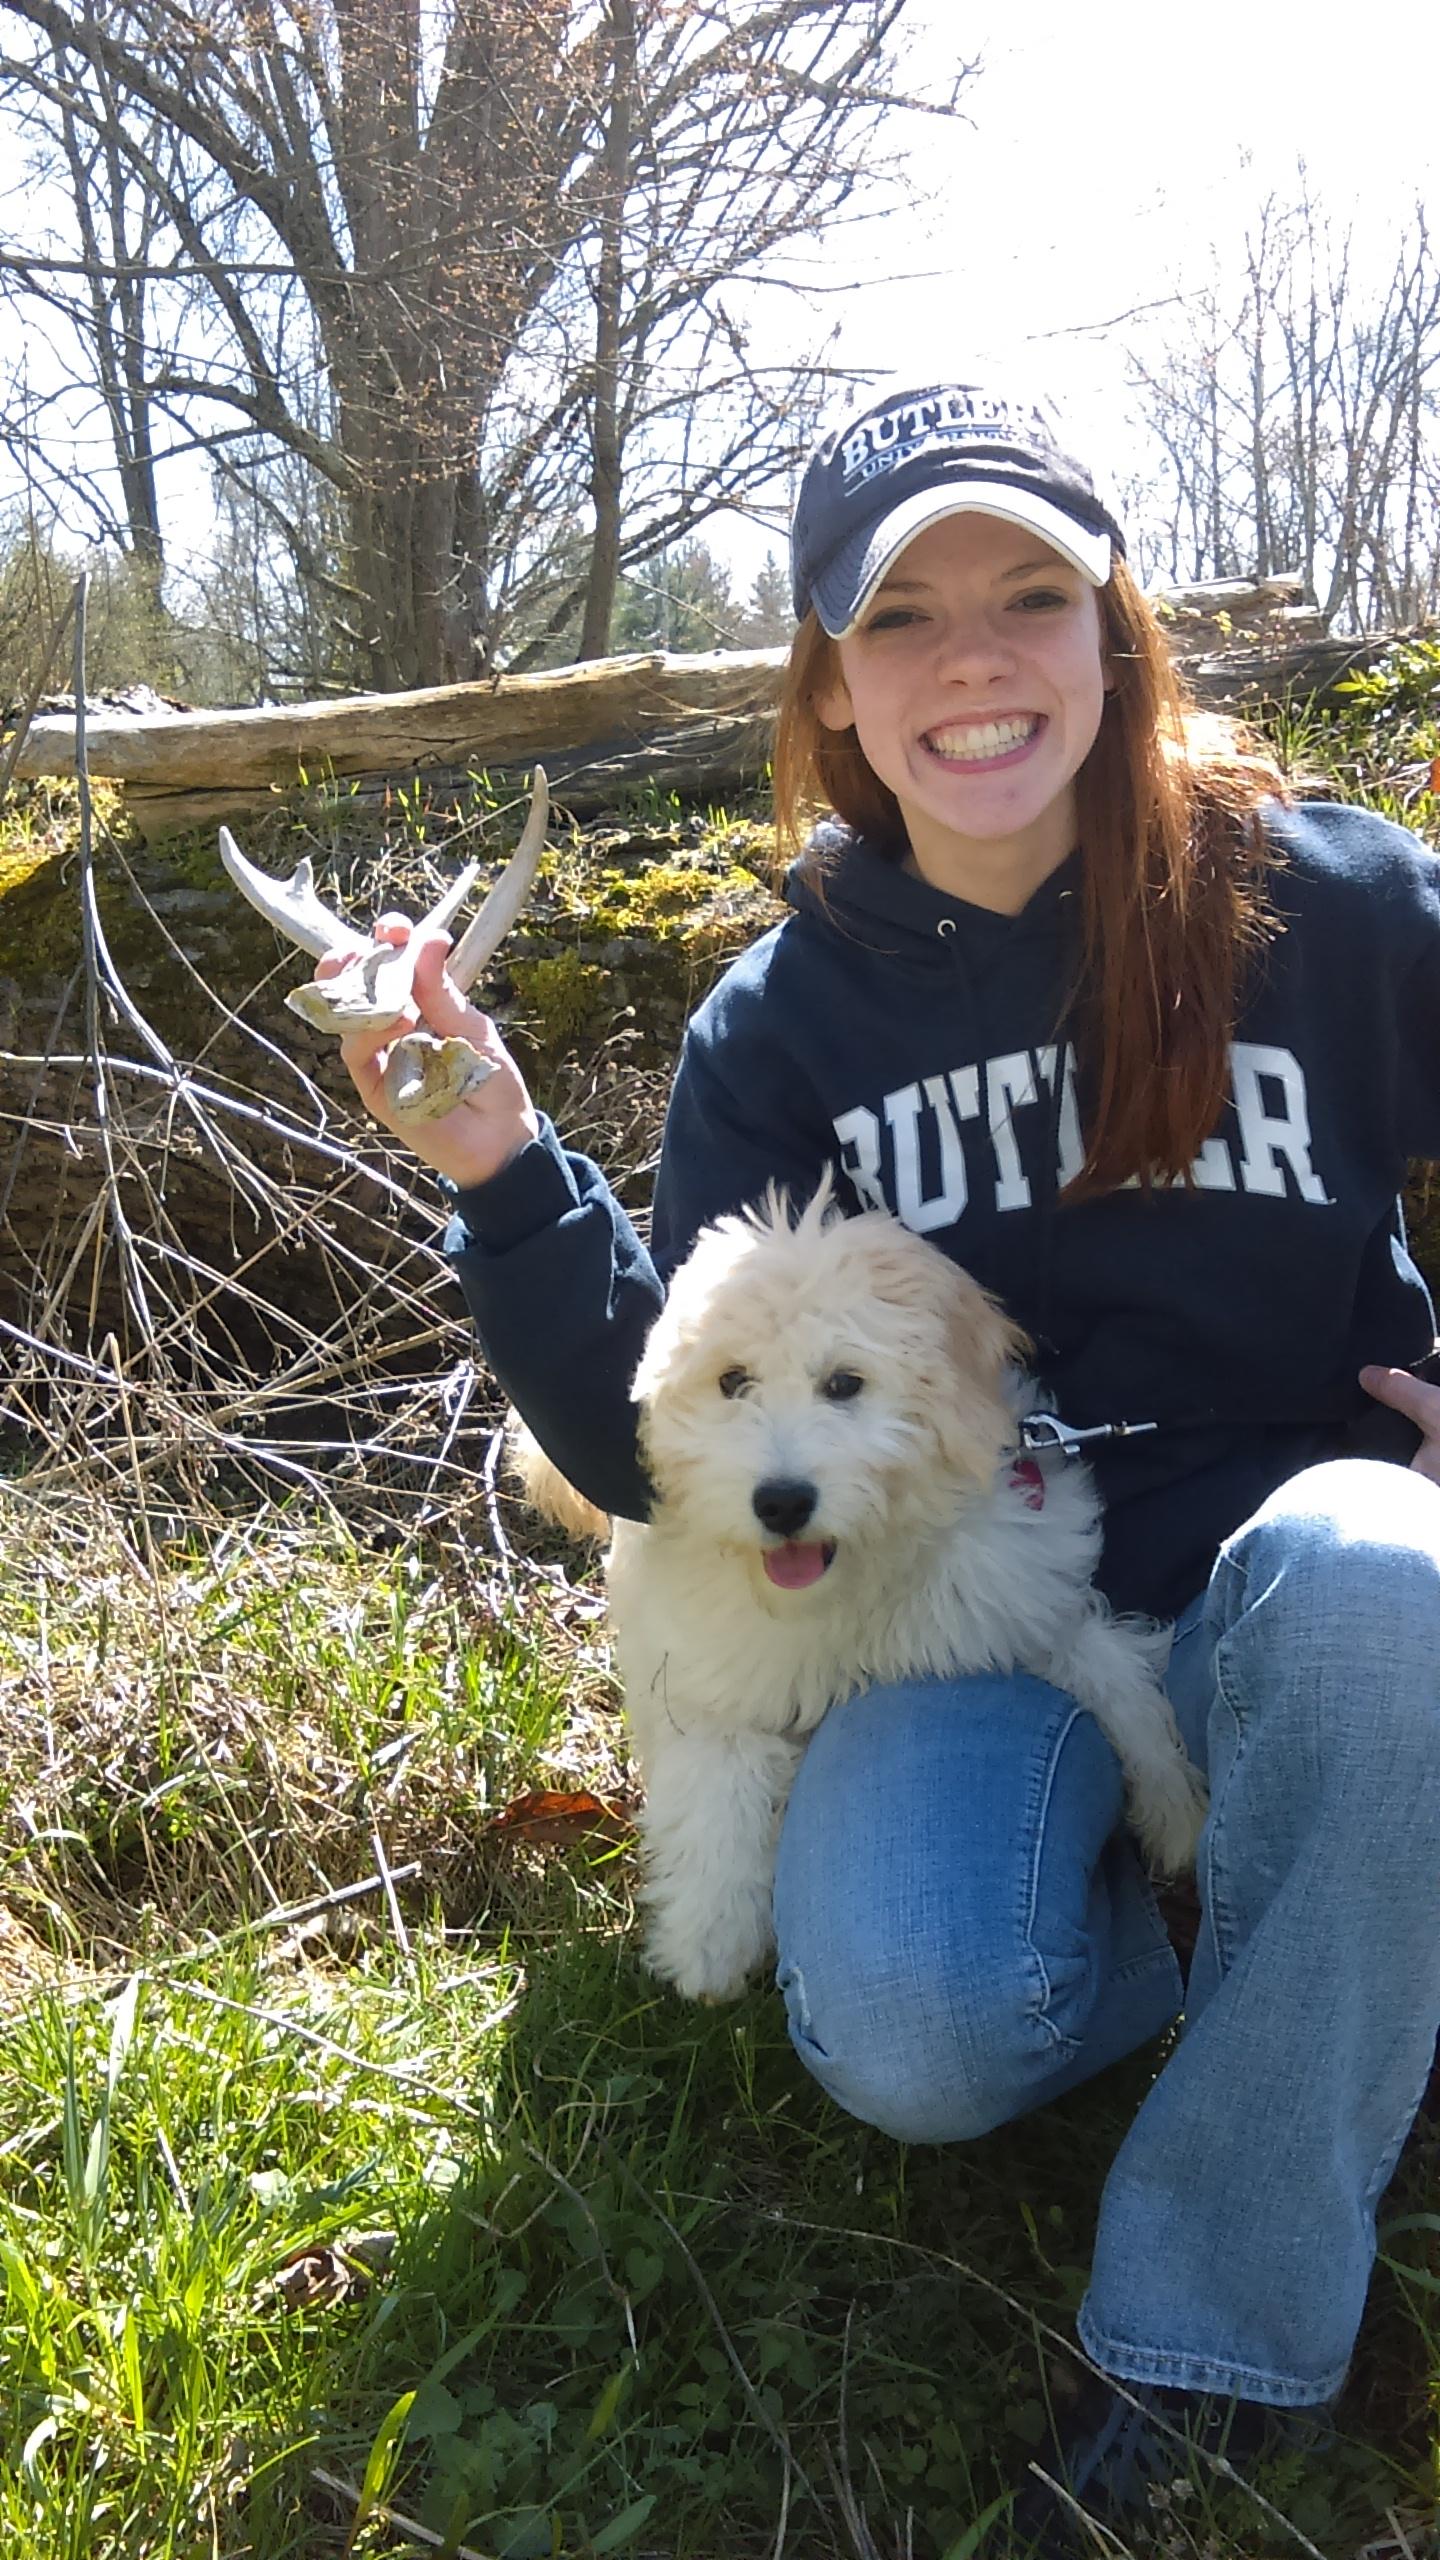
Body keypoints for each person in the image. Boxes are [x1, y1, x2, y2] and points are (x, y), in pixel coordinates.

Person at [329, 377, 1440, 2553]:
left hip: (1303, 1607)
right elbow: (660, 1440)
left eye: (1030, 594)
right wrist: (495, 1162)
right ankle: (1334, 1964)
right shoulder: (786, 1022)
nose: (973, 663)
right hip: (965, 1640)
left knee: (1394, 1582)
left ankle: (1212, 2333)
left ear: (1115, 631)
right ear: (831, 685)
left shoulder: (1333, 905)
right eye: (901, 615)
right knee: (916, 2030)